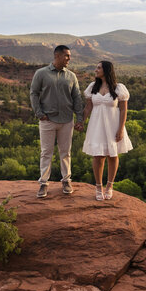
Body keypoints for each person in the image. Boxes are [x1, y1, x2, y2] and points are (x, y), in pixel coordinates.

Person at [30, 45, 84, 198]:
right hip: (47, 120)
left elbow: (77, 98)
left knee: (65, 152)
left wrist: (79, 119)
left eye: (69, 55)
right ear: (57, 56)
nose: (69, 58)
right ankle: (43, 184)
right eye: (67, 55)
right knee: (46, 152)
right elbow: (33, 93)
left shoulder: (71, 76)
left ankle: (66, 181)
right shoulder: (41, 73)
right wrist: (39, 113)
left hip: (67, 121)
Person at [80, 60, 132, 200]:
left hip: (113, 125)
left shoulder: (118, 88)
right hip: (96, 125)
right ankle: (98, 187)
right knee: (98, 156)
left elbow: (123, 110)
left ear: (106, 70)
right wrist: (81, 121)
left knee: (113, 155)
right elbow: (88, 107)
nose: (95, 70)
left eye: (98, 68)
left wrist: (120, 129)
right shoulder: (92, 87)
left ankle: (109, 186)